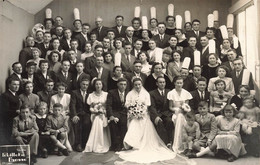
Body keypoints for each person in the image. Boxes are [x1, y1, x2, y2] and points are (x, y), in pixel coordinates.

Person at [117, 77, 175, 163]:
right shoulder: (129, 94)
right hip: (133, 115)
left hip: (143, 114)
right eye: (136, 85)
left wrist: (140, 112)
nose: (137, 86)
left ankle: (141, 144)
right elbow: (127, 105)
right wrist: (134, 112)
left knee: (144, 122)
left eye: (139, 84)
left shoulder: (146, 94)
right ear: (133, 85)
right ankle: (132, 144)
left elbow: (148, 105)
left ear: (141, 85)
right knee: (134, 123)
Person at [83, 79, 111, 153]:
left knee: (99, 119)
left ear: (102, 85)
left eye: (100, 84)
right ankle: (96, 144)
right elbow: (90, 108)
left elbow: (108, 107)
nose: (98, 86)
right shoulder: (91, 95)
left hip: (104, 114)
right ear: (94, 86)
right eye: (96, 84)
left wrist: (103, 111)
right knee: (97, 119)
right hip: (94, 114)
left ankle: (100, 143)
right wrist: (95, 111)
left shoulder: (106, 94)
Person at [167, 76, 193, 153]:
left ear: (183, 83)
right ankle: (177, 144)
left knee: (182, 117)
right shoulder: (171, 93)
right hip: (175, 113)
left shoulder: (186, 93)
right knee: (179, 117)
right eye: (177, 83)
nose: (179, 84)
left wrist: (184, 109)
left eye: (180, 83)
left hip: (185, 114)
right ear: (174, 83)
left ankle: (185, 144)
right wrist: (178, 110)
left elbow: (187, 106)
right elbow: (170, 107)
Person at [149, 76, 173, 146]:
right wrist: (156, 116)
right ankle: (163, 143)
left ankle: (170, 141)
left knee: (169, 121)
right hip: (157, 114)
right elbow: (152, 107)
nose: (162, 84)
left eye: (163, 82)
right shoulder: (152, 93)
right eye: (160, 82)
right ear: (157, 83)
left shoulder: (169, 92)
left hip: (166, 113)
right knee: (159, 123)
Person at [70, 78, 92, 152]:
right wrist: (74, 115)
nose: (85, 86)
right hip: (78, 113)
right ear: (80, 84)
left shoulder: (90, 93)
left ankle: (84, 143)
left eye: (86, 85)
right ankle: (77, 144)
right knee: (77, 124)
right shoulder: (74, 92)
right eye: (83, 84)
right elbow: (72, 105)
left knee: (87, 123)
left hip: (86, 113)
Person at [106, 78, 128, 151]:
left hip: (125, 113)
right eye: (121, 84)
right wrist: (111, 115)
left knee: (124, 123)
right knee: (113, 123)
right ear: (117, 84)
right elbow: (108, 105)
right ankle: (115, 144)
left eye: (124, 84)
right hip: (115, 112)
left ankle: (122, 144)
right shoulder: (112, 92)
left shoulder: (129, 93)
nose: (123, 86)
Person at [1, 78, 21, 144]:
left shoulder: (16, 95)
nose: (16, 86)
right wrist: (16, 111)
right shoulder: (5, 95)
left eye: (18, 84)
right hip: (8, 121)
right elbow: (4, 110)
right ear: (9, 85)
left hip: (15, 120)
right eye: (14, 84)